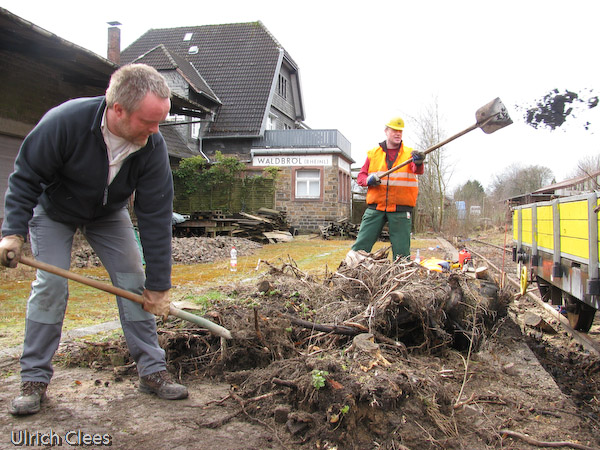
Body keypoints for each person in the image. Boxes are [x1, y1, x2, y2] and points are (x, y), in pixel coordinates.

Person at [0, 63, 188, 416]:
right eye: (149, 121)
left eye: (160, 120)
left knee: (135, 282)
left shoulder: (152, 146)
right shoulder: (65, 122)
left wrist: (159, 285)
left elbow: (155, 216)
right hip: (54, 210)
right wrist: (12, 233)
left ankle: (152, 371)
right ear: (118, 109)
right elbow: (25, 178)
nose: (156, 129)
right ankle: (34, 380)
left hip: (107, 213)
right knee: (51, 282)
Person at [350, 116, 425, 261]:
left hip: (400, 209)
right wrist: (368, 180)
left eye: (400, 131)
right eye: (394, 130)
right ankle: (349, 272)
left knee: (402, 253)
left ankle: (401, 279)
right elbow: (361, 177)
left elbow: (417, 170)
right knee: (360, 246)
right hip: (375, 208)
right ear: (386, 131)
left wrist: (420, 162)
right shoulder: (373, 154)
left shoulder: (410, 155)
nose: (398, 134)